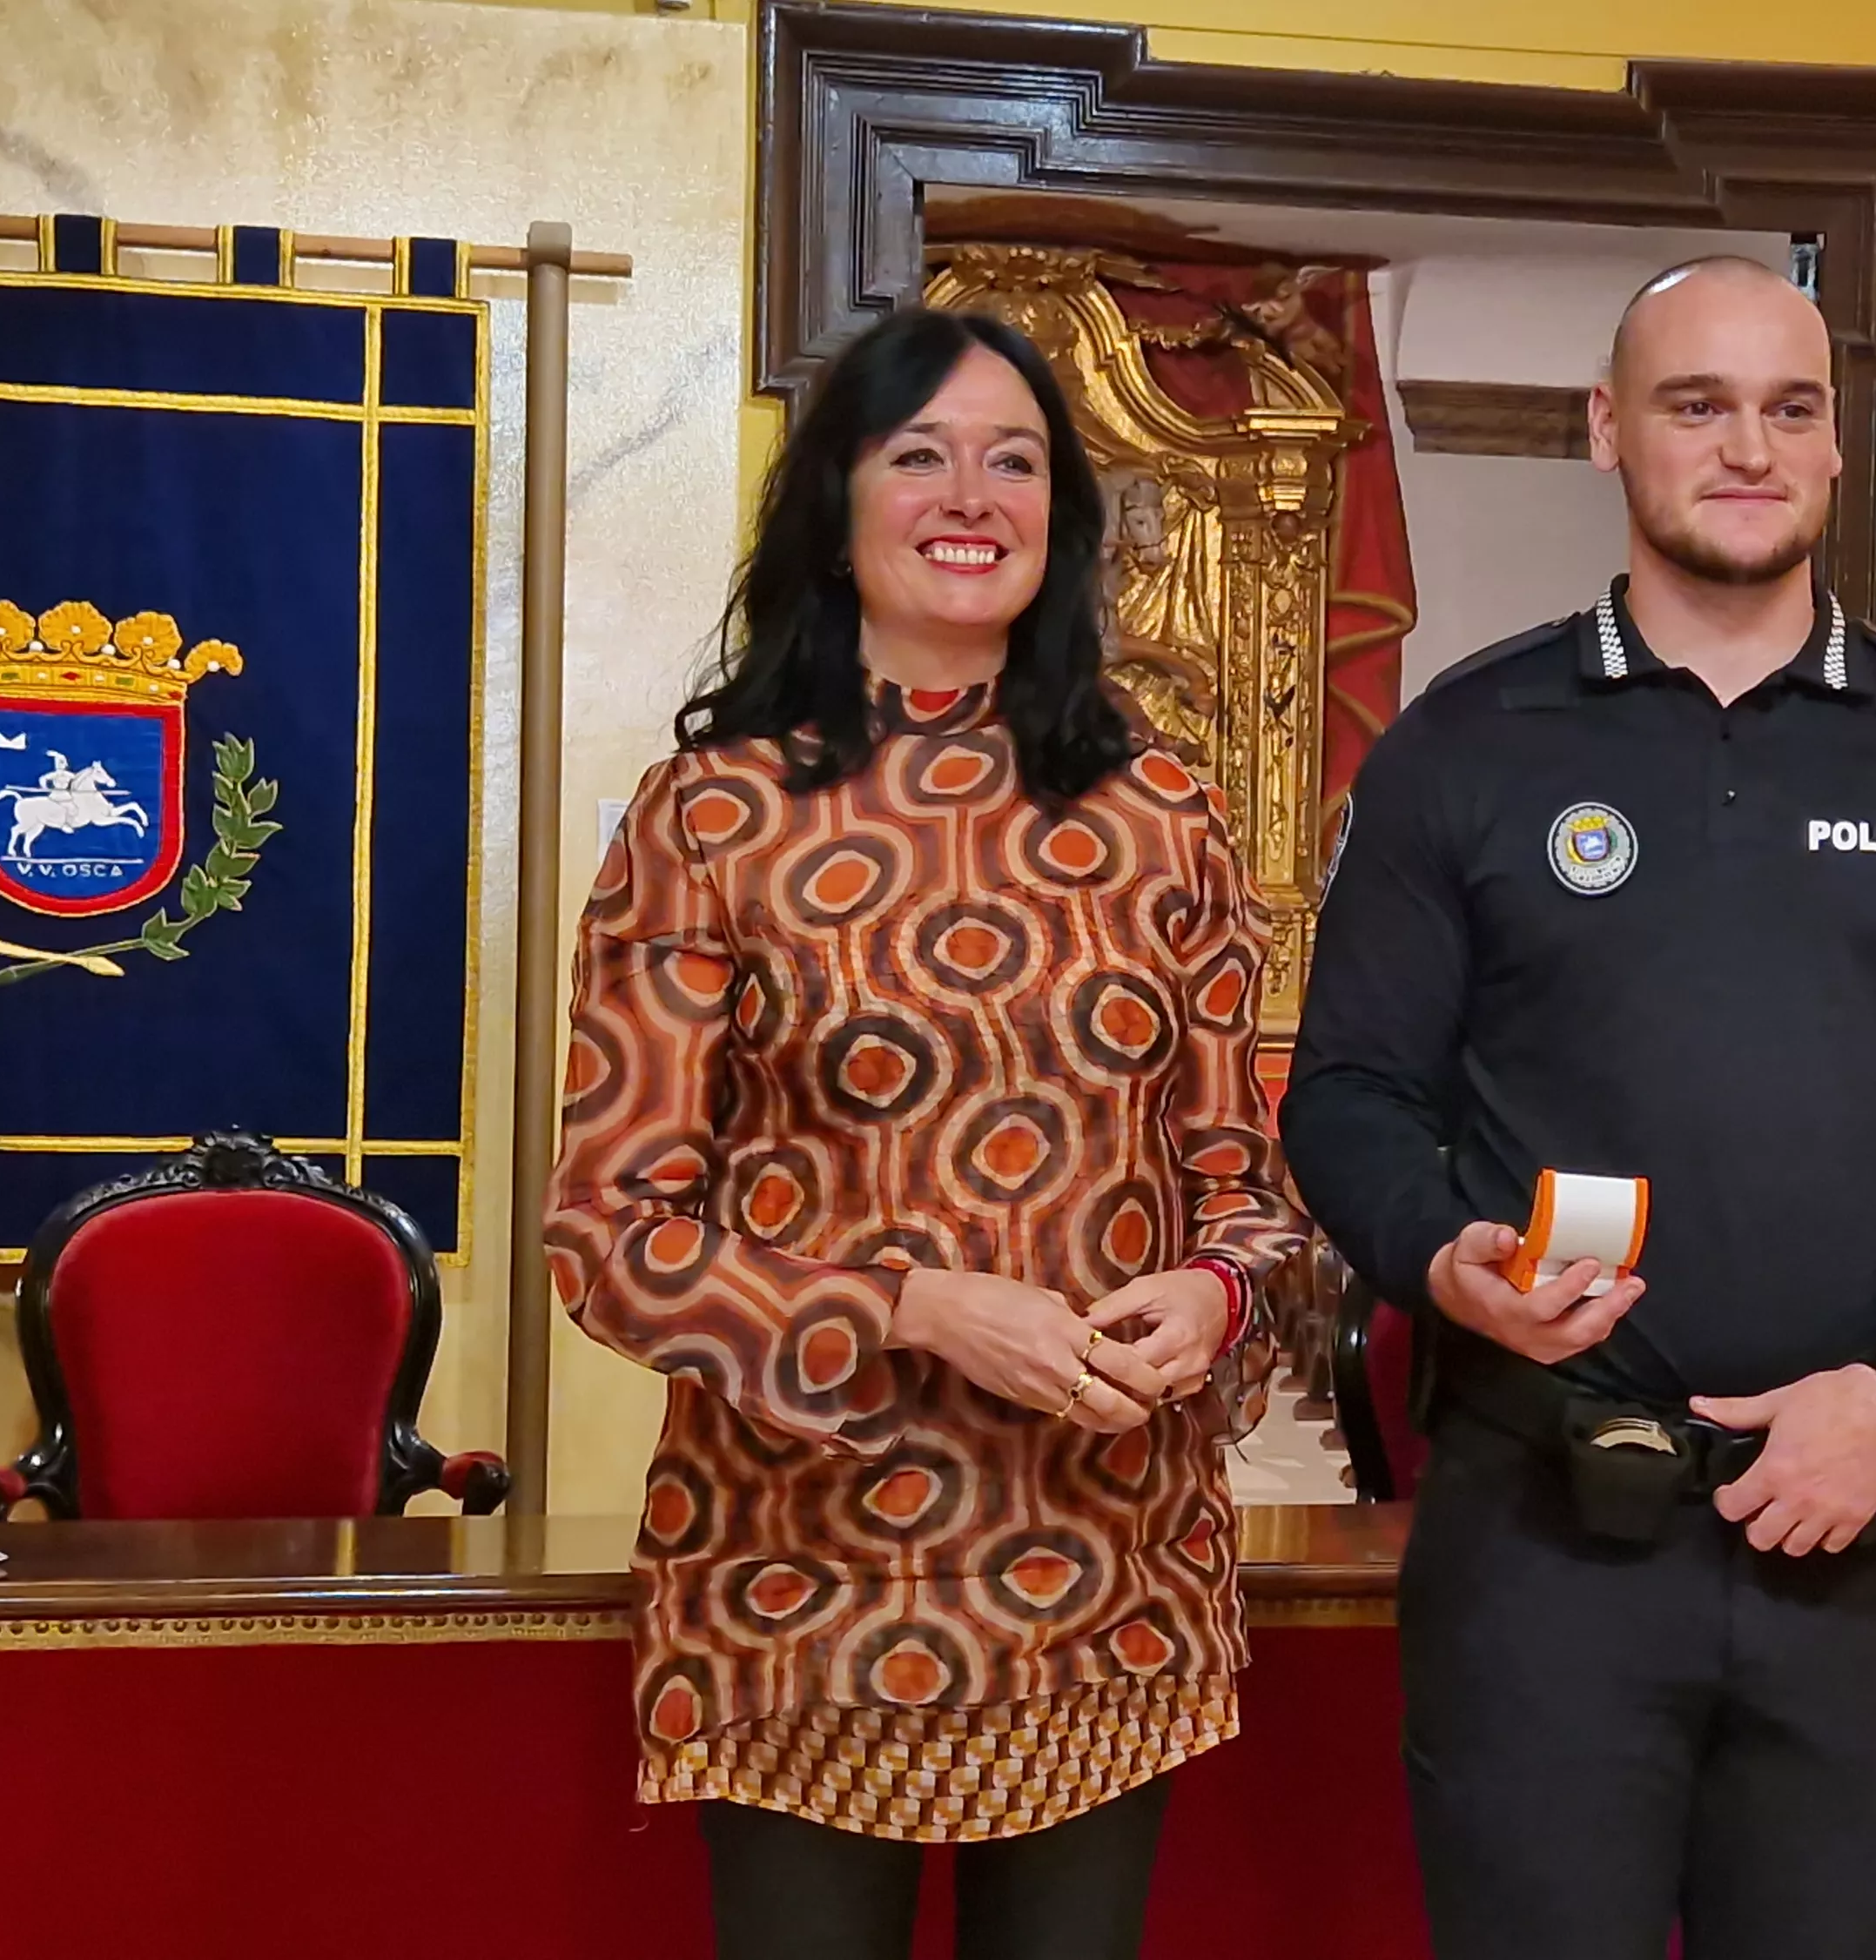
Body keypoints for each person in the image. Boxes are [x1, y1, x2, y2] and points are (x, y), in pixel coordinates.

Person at [1280, 256, 1876, 1960]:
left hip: (1862, 1524)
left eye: (1787, 409)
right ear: (1608, 430)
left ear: (1831, 452)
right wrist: (1442, 1259)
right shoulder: (1463, 744)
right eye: (1695, 403)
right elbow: (1350, 1093)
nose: (1745, 446)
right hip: (1542, 1542)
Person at [542, 307, 1308, 1960]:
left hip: (1111, 1578)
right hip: (807, 1589)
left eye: (1017, 459)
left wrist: (1219, 1298)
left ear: (1065, 522)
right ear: (835, 503)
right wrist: (911, 1307)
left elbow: (1249, 1193)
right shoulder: (712, 814)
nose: (975, 493)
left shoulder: (1160, 812)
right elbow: (612, 1237)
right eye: (922, 453)